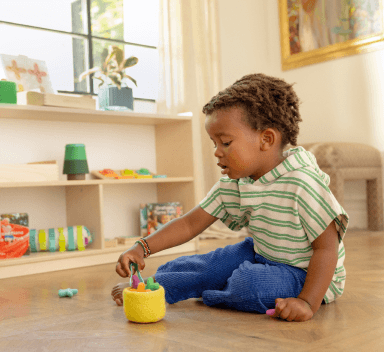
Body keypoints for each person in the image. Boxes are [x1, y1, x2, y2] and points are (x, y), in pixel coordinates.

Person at [111, 73, 348, 322]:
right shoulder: (235, 182)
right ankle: (155, 286)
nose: (216, 152)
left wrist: (307, 302)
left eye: (225, 142)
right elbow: (191, 223)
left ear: (266, 139)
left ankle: (213, 291)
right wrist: (142, 248)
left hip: (305, 274)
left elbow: (326, 249)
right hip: (261, 253)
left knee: (250, 284)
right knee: (208, 266)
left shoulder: (304, 182)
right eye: (214, 143)